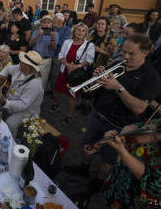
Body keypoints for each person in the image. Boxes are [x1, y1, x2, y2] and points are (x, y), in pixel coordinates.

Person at [63, 34, 161, 195]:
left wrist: (118, 87)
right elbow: (97, 87)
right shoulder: (117, 64)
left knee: (108, 157)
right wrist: (96, 78)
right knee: (87, 143)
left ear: (145, 52)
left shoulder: (151, 77)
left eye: (131, 54)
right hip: (99, 114)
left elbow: (139, 108)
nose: (126, 57)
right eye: (124, 52)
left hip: (119, 125)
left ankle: (98, 182)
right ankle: (83, 169)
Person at [102, 122, 161, 209]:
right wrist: (132, 127)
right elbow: (147, 125)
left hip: (136, 197)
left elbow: (148, 177)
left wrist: (122, 151)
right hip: (121, 180)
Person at [0, 51, 44, 137]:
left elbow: (24, 105)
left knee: (10, 123)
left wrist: (5, 102)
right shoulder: (19, 68)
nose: (19, 62)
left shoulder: (35, 84)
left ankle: (11, 142)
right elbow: (7, 69)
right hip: (9, 100)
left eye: (22, 62)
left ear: (28, 66)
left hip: (27, 110)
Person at [52, 23, 95, 124]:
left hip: (77, 74)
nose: (80, 32)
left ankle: (69, 115)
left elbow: (89, 60)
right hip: (64, 70)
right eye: (78, 30)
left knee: (72, 95)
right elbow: (61, 55)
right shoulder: (67, 42)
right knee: (57, 90)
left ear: (86, 33)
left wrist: (76, 66)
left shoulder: (89, 45)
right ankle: (55, 104)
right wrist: (67, 65)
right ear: (74, 32)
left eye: (83, 30)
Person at [29, 15, 59, 90]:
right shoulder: (36, 32)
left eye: (48, 22)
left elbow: (54, 48)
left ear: (51, 24)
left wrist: (52, 38)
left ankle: (39, 98)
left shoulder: (55, 33)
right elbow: (30, 44)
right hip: (34, 58)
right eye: (44, 22)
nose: (46, 24)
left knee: (42, 81)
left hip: (46, 60)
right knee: (31, 79)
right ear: (41, 24)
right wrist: (38, 35)